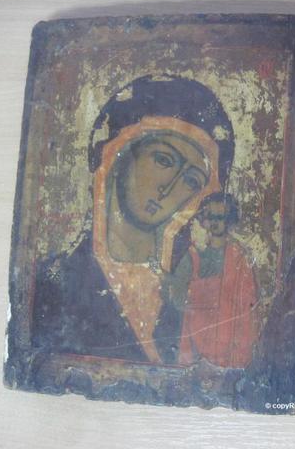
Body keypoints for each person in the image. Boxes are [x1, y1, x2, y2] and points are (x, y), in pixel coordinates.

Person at [32, 75, 235, 363]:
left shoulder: (190, 287)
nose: (169, 188)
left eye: (191, 180)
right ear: (118, 153)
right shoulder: (52, 285)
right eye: (163, 160)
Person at [159, 192, 259, 368]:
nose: (214, 222)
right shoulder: (193, 255)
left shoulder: (239, 258)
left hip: (228, 341)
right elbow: (176, 297)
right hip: (196, 339)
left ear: (229, 220)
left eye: (220, 217)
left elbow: (247, 307)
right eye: (210, 217)